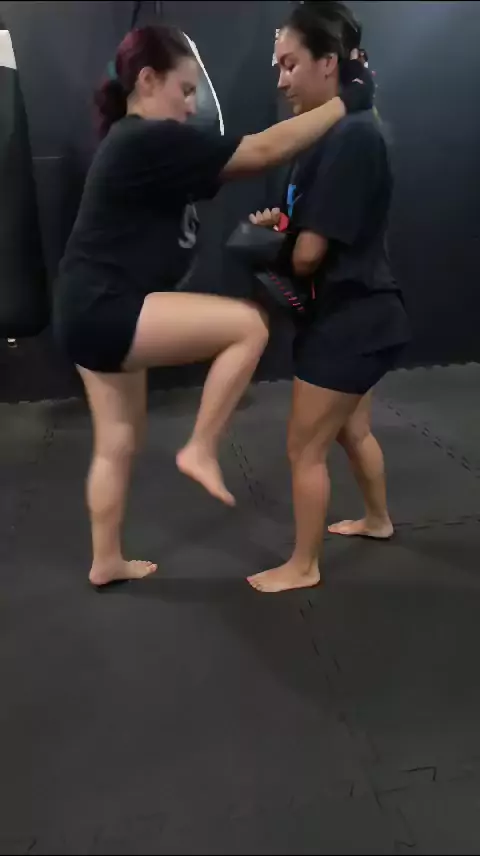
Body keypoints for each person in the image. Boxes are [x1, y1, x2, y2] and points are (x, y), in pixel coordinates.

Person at [53, 23, 374, 587]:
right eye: (185, 90)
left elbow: (227, 167)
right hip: (105, 306)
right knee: (247, 327)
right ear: (147, 81)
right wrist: (348, 100)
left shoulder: (139, 144)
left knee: (117, 440)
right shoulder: (147, 138)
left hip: (83, 306)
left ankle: (106, 561)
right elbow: (265, 149)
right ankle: (200, 448)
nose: (191, 104)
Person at [247, 1, 411, 594]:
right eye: (278, 65)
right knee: (350, 430)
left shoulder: (350, 137)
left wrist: (268, 249)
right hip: (361, 313)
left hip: (350, 321)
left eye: (290, 64)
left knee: (303, 448)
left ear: (329, 63)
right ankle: (377, 519)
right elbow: (316, 231)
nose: (281, 79)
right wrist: (284, 229)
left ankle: (303, 565)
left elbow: (310, 255)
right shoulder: (333, 135)